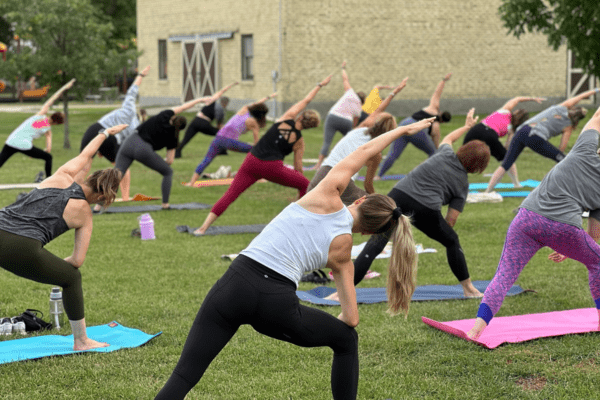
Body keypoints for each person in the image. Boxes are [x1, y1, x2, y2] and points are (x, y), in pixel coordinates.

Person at [153, 115, 434, 400]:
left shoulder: (327, 191)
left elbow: (362, 152)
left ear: (360, 199)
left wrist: (401, 130)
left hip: (234, 283)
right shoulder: (343, 253)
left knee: (184, 375)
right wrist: (310, 324)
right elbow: (351, 319)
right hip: (276, 304)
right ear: (367, 233)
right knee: (346, 341)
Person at [467, 104, 600, 340]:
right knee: (597, 262)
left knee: (504, 275)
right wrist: (570, 247)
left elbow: (597, 117)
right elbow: (594, 234)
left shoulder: (584, 149)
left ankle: (477, 327)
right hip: (564, 229)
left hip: (526, 219)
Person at [0, 124, 127, 350]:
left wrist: (105, 133)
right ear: (101, 195)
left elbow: (86, 155)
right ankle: (81, 341)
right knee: (71, 278)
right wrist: (56, 267)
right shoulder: (85, 214)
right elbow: (77, 261)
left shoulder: (61, 175)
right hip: (21, 245)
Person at [354, 109, 490, 297]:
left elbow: (449, 137)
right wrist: (438, 225)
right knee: (452, 240)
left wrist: (466, 127)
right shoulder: (463, 185)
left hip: (398, 194)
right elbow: (451, 221)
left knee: (377, 241)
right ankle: (468, 288)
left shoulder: (444, 151)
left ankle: (342, 292)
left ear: (463, 150)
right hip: (425, 209)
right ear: (478, 167)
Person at [192, 74, 333, 236]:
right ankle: (295, 223)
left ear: (300, 116)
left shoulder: (285, 118)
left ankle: (202, 228)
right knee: (305, 184)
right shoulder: (299, 142)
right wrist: (298, 188)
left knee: (230, 194)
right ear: (310, 127)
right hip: (272, 168)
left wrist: (319, 85)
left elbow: (305, 101)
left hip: (251, 162)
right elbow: (298, 168)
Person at [307, 79, 408, 205]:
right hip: (341, 182)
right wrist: (377, 200)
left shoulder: (361, 128)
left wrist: (395, 92)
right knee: (378, 207)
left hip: (321, 175)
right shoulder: (375, 153)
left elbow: (378, 111)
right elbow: (368, 185)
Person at [484, 88, 598, 193]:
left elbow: (580, 97)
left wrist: (596, 90)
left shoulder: (562, 106)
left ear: (573, 108)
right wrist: (556, 154)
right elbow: (561, 149)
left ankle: (487, 191)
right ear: (578, 120)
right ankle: (568, 188)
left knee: (507, 163)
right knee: (563, 160)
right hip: (535, 136)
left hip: (522, 130)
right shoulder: (568, 127)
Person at [114, 95, 212, 210]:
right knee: (168, 172)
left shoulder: (165, 115)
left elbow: (183, 107)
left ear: (174, 117)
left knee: (116, 175)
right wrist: (159, 161)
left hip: (129, 142)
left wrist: (200, 100)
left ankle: (98, 206)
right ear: (180, 129)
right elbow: (170, 161)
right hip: (143, 149)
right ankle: (165, 205)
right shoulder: (174, 137)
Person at [79, 66, 151, 202]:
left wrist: (141, 75)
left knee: (82, 164)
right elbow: (123, 143)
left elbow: (132, 91)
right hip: (108, 136)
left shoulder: (129, 108)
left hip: (96, 130)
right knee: (121, 166)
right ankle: (125, 198)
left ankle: (77, 193)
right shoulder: (136, 128)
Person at [184, 92, 276, 185]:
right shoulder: (254, 123)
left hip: (218, 138)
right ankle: (259, 176)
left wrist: (268, 97)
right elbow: (257, 144)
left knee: (207, 159)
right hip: (229, 142)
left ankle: (191, 182)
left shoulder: (244, 110)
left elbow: (256, 104)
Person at [377, 73, 453, 178]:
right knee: (433, 153)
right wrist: (437, 150)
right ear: (443, 122)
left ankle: (378, 176)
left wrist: (444, 80)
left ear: (441, 112)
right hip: (418, 131)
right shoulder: (436, 125)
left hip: (404, 124)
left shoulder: (434, 107)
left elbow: (437, 93)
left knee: (393, 154)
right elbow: (435, 143)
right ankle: (418, 174)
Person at [0, 79, 75, 179]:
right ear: (57, 123)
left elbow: (52, 99)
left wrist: (64, 88)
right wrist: (35, 152)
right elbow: (48, 149)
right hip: (24, 145)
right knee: (48, 158)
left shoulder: (40, 115)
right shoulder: (48, 130)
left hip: (11, 141)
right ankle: (48, 180)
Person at [463, 96, 544, 187]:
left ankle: (456, 177)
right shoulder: (512, 129)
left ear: (515, 112)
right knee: (508, 159)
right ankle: (516, 183)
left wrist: (532, 98)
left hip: (477, 129)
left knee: (462, 155)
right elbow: (507, 148)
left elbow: (516, 99)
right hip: (490, 135)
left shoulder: (505, 111)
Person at [314, 61, 365, 170]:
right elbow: (355, 122)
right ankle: (353, 163)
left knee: (327, 142)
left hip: (333, 117)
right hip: (346, 122)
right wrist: (353, 130)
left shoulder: (350, 93)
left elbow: (345, 79)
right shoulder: (360, 107)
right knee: (350, 142)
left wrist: (343, 68)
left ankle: (318, 165)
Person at [175, 82, 239, 158]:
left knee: (186, 139)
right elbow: (219, 124)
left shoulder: (212, 100)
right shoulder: (220, 110)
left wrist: (231, 85)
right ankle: (222, 151)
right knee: (221, 134)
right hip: (204, 123)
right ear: (225, 103)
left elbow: (221, 91)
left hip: (195, 120)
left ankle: (177, 153)